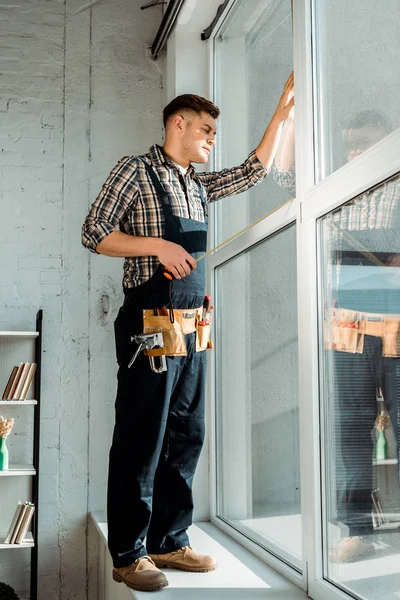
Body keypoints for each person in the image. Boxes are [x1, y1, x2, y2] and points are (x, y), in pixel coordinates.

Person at [82, 73, 294, 592]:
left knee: (186, 433)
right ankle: (129, 554)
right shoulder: (135, 170)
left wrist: (281, 115)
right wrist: (157, 247)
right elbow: (96, 233)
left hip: (193, 321)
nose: (211, 139)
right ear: (178, 123)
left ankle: (169, 541)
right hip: (150, 320)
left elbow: (250, 173)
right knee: (142, 434)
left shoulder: (195, 183)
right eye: (205, 129)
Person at [272, 108, 400, 563]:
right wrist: (290, 113)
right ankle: (358, 530)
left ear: (388, 140)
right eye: (350, 142)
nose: (355, 151)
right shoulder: (338, 190)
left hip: (399, 328)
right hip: (346, 329)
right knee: (349, 430)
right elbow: (282, 175)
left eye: (365, 141)